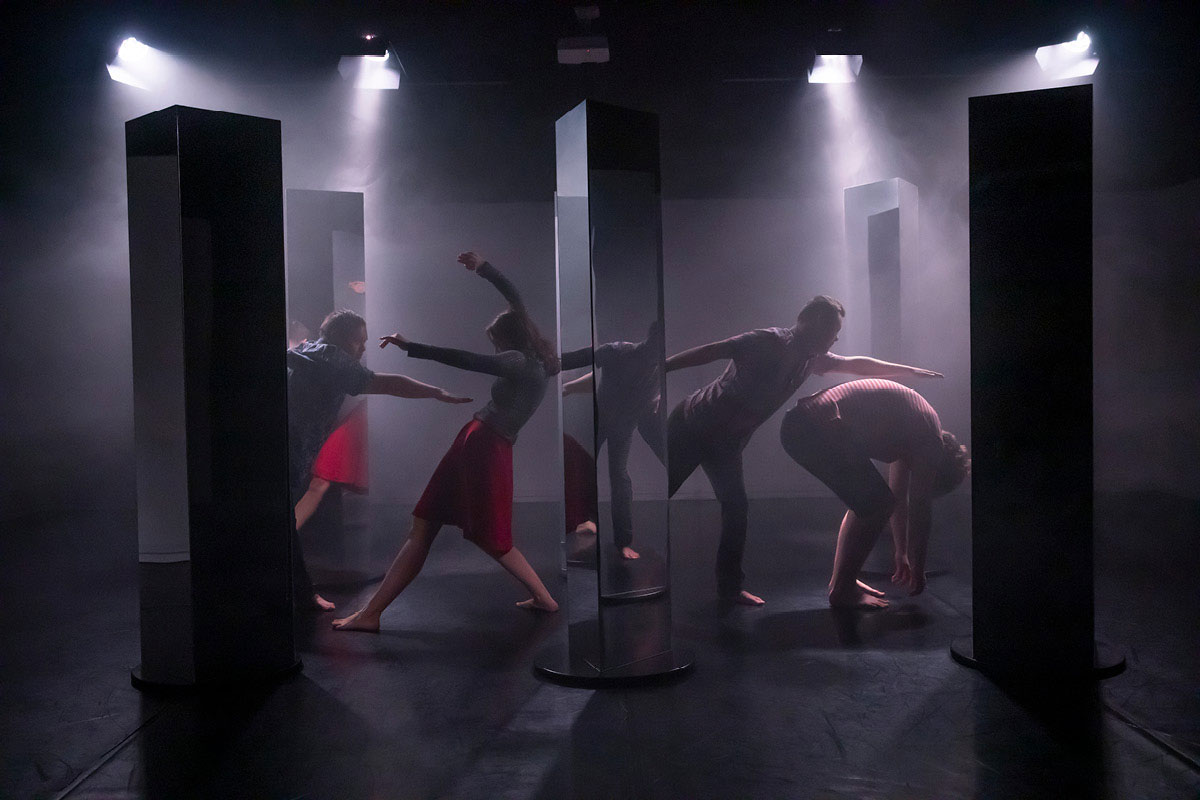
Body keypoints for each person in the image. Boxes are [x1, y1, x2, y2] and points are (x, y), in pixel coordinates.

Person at [333, 251, 560, 633]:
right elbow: (515, 298)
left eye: (497, 342)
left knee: (490, 538)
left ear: (509, 339)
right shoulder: (539, 361)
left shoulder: (518, 363)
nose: (495, 350)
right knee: (424, 524)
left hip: (484, 446)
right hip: (478, 442)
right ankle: (371, 614)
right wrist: (484, 268)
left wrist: (412, 347)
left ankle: (545, 598)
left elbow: (465, 360)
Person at [665, 296, 943, 605]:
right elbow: (711, 351)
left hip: (726, 443)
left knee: (736, 508)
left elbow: (856, 365)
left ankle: (729, 590)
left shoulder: (811, 358)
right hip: (691, 426)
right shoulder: (767, 340)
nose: (835, 338)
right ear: (812, 322)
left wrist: (910, 371)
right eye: (833, 331)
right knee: (670, 486)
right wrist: (662, 367)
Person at [288, 309, 472, 611]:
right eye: (359, 342)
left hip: (288, 449)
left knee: (283, 522)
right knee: (285, 524)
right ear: (343, 340)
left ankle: (299, 593)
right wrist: (435, 392)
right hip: (291, 451)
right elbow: (388, 383)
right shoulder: (335, 361)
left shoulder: (311, 351)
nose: (363, 349)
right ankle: (303, 595)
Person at [779, 378, 970, 609]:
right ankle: (843, 589)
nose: (915, 475)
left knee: (870, 502)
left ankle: (841, 583)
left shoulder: (916, 429)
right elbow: (919, 509)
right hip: (811, 426)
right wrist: (918, 571)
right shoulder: (929, 440)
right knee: (875, 505)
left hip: (804, 424)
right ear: (938, 463)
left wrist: (902, 553)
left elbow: (897, 499)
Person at [561, 320, 666, 559]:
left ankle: (623, 541)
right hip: (599, 421)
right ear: (651, 339)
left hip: (623, 426)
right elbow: (580, 361)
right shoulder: (618, 351)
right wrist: (566, 384)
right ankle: (586, 520)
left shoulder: (658, 368)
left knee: (619, 477)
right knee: (584, 469)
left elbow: (647, 398)